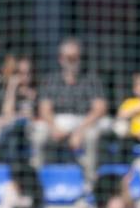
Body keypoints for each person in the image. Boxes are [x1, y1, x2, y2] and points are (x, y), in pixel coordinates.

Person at [32, 38, 108, 177]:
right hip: (58, 122)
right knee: (39, 134)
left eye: (76, 57)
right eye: (69, 58)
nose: (73, 62)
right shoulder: (50, 80)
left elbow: (99, 109)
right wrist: (54, 127)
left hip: (85, 122)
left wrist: (79, 131)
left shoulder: (91, 79)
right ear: (61, 59)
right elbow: (44, 109)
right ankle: (38, 180)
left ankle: (89, 182)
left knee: (92, 136)